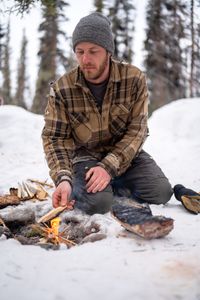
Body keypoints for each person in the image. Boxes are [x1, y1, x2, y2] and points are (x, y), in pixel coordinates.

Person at [42, 12, 173, 215]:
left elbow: (137, 130)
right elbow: (55, 138)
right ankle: (104, 189)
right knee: (98, 204)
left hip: (124, 156)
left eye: (93, 51)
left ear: (108, 51)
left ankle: (112, 183)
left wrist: (108, 167)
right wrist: (63, 179)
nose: (85, 59)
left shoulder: (134, 79)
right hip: (86, 157)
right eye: (80, 51)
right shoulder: (62, 88)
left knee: (161, 193)